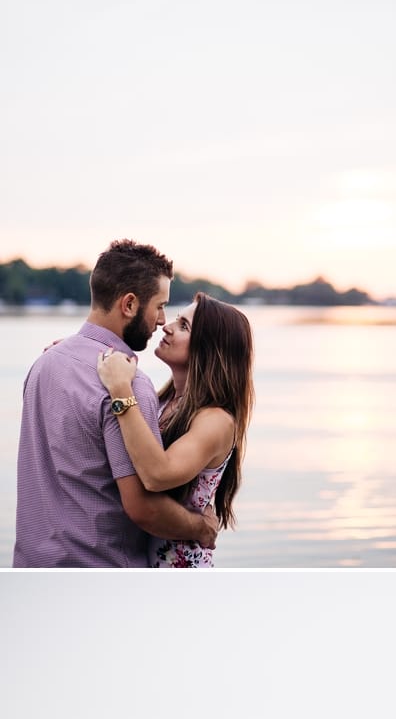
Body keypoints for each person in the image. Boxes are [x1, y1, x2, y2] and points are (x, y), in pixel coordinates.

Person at [13, 237, 219, 567]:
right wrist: (201, 527)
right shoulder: (130, 386)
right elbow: (143, 508)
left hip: (32, 570)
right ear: (129, 305)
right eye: (160, 306)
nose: (162, 320)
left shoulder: (44, 364)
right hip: (103, 577)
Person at [95, 293, 254, 565]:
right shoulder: (165, 402)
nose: (167, 326)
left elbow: (158, 474)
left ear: (208, 347)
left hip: (181, 577)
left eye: (183, 326)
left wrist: (120, 388)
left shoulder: (216, 420)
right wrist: (78, 359)